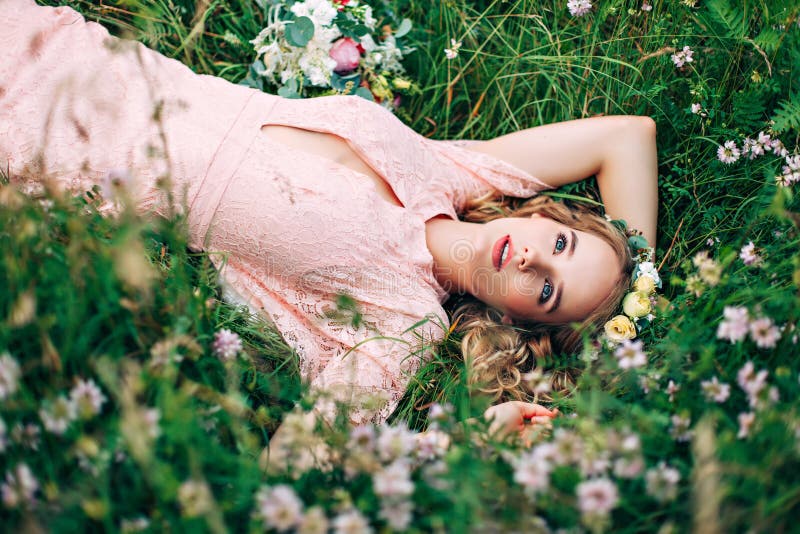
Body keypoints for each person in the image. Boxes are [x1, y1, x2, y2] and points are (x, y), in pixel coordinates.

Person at [0, 0, 658, 441]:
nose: (532, 259)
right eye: (562, 243)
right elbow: (629, 136)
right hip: (75, 50)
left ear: (519, 320)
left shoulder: (401, 322)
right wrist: (638, 287)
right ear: (546, 214)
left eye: (547, 290)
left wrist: (479, 442)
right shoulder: (452, 171)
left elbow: (295, 456)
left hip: (41, 141)